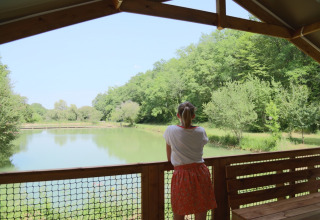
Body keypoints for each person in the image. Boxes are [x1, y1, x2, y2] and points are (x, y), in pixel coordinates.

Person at [163, 101, 217, 220]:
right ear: (193, 116)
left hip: (181, 175)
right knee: (201, 210)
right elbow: (199, 149)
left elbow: (169, 156)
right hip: (200, 173)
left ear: (178, 115)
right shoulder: (201, 131)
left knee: (179, 210)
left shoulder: (170, 130)